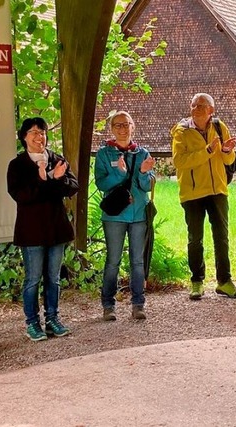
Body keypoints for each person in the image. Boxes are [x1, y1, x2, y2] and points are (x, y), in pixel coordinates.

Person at [7, 117, 79, 341]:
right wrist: (44, 179)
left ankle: (53, 319)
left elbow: (72, 186)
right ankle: (32, 322)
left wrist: (55, 179)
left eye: (43, 132)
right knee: (33, 279)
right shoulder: (17, 165)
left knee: (54, 278)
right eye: (34, 132)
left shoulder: (56, 159)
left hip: (56, 229)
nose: (40, 137)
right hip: (32, 232)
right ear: (24, 137)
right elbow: (21, 196)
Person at [171, 93, 236, 300]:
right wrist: (208, 150)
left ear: (211, 110)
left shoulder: (219, 127)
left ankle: (224, 281)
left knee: (221, 237)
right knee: (195, 239)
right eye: (194, 105)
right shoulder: (181, 131)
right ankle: (197, 281)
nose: (196, 109)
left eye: (201, 106)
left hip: (217, 191)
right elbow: (180, 162)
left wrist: (227, 150)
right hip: (192, 193)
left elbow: (227, 158)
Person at [95, 111, 155, 321]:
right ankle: (108, 305)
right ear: (111, 129)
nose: (122, 129)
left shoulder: (142, 153)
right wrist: (119, 173)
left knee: (137, 262)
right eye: (117, 125)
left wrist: (143, 172)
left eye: (125, 124)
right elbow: (101, 183)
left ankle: (138, 304)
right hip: (114, 217)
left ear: (133, 127)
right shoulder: (103, 154)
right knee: (113, 261)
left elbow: (147, 186)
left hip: (138, 214)